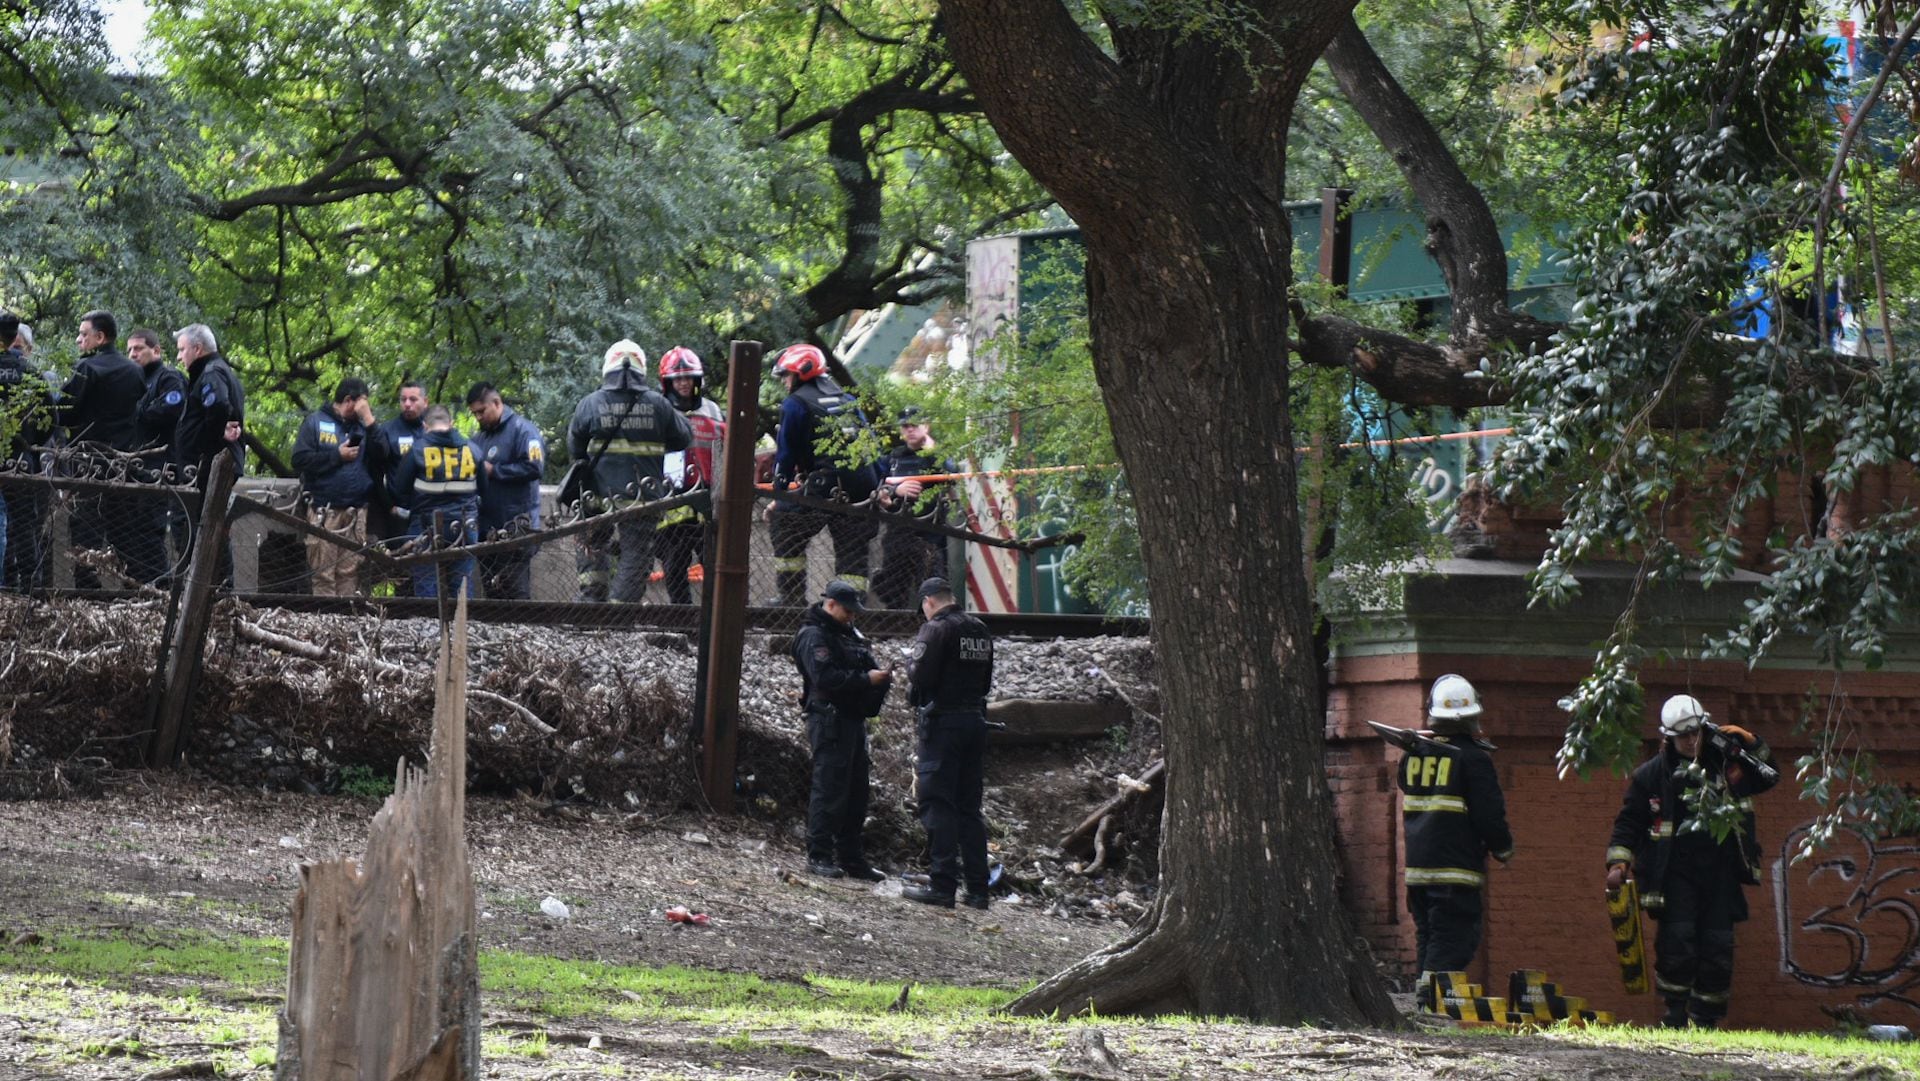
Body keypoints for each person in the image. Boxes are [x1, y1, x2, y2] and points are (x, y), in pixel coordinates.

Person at [1606, 694, 1779, 1029]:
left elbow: (1770, 775)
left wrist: (1750, 741)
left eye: (1696, 732)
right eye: (1682, 735)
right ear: (1668, 738)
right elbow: (1628, 823)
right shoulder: (1651, 776)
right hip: (1674, 875)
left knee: (1718, 946)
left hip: (1721, 873)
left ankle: (1706, 1022)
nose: (1690, 740)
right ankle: (1674, 1018)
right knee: (1677, 943)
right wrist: (1618, 863)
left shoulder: (1728, 765)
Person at [1399, 673, 1513, 992]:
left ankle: (1425, 1001)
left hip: (1418, 871)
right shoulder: (1475, 759)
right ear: (1474, 716)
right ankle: (1432, 1006)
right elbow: (1489, 813)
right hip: (1455, 871)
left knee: (1430, 938)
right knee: (1454, 941)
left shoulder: (1413, 754)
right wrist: (1503, 848)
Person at [566, 340, 691, 602]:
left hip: (597, 495)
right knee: (637, 553)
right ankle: (619, 613)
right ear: (641, 369)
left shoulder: (590, 403)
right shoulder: (659, 404)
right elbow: (683, 438)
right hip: (641, 496)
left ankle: (591, 603)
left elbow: (575, 449)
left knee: (592, 544)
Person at [900, 578, 995, 910]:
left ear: (928, 602)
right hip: (975, 721)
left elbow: (921, 677)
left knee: (938, 802)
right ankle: (979, 890)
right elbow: (985, 681)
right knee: (969, 808)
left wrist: (908, 663)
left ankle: (942, 885)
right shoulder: (980, 629)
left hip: (943, 726)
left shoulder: (936, 629)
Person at [792, 579, 892, 881]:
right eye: (847, 611)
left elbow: (864, 669)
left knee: (857, 790)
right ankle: (819, 854)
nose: (852, 617)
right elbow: (825, 678)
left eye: (854, 612)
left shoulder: (849, 636)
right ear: (830, 604)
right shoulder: (814, 635)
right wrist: (867, 680)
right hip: (829, 719)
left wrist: (876, 681)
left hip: (851, 719)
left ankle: (851, 857)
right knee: (830, 788)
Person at [769, 343, 881, 606]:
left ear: (800, 372)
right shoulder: (847, 400)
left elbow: (785, 453)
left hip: (825, 485)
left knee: (785, 525)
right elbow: (871, 447)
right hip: (863, 488)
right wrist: (881, 486)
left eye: (786, 375)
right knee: (853, 551)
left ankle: (790, 599)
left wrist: (780, 492)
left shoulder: (795, 403)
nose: (784, 381)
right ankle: (852, 607)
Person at [60, 309, 147, 587]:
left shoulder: (87, 368)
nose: (78, 340)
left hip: (88, 460)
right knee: (124, 528)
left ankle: (87, 589)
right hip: (123, 461)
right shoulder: (134, 371)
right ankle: (133, 587)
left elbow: (65, 411)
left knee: (85, 526)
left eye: (84, 334)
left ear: (100, 337)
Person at [652, 346, 725, 605]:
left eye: (688, 378)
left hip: (708, 503)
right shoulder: (661, 412)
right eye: (678, 378)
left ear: (697, 380)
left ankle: (716, 620)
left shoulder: (713, 411)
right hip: (673, 503)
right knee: (674, 569)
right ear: (668, 382)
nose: (683, 383)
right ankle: (681, 622)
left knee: (716, 567)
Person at [291, 378, 375, 596]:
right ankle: (326, 624)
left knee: (349, 572)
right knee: (323, 573)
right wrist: (337, 456)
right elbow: (299, 461)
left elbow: (384, 454)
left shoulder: (365, 427)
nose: (365, 407)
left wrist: (369, 420)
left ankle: (346, 623)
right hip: (324, 510)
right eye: (363, 403)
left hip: (355, 513)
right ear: (349, 400)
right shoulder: (315, 422)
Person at [388, 405, 483, 599]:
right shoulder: (472, 449)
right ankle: (464, 626)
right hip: (464, 525)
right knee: (462, 585)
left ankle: (428, 626)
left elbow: (398, 490)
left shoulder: (417, 450)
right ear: (452, 424)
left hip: (425, 527)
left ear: (425, 426)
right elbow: (485, 490)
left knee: (427, 584)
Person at [465, 382, 544, 599]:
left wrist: (495, 471)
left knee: (515, 590)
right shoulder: (478, 438)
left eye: (482, 411)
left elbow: (535, 467)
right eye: (474, 414)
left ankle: (522, 632)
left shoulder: (523, 430)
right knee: (492, 591)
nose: (478, 418)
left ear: (497, 403)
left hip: (516, 524)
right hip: (486, 527)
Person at [872, 408, 954, 610]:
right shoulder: (893, 457)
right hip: (898, 530)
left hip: (929, 532)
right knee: (893, 585)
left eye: (914, 425)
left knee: (932, 583)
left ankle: (932, 625)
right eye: (905, 426)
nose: (909, 430)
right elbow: (876, 483)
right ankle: (895, 627)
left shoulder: (936, 456)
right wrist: (895, 490)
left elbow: (951, 474)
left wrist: (932, 451)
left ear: (926, 427)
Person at [127, 327, 188, 580]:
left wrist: (140, 412)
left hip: (164, 466)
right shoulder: (134, 382)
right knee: (138, 532)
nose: (132, 354)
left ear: (156, 350)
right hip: (139, 466)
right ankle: (146, 586)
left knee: (153, 531)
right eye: (129, 349)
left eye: (138, 348)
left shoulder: (168, 377)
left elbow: (169, 409)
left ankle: (159, 588)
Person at [0, 311, 53, 590]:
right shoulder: (30, 372)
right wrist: (29, 443)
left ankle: (5, 584)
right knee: (23, 523)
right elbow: (50, 420)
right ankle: (31, 587)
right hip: (20, 459)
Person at [363, 380, 430, 592]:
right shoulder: (389, 431)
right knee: (402, 571)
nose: (407, 404)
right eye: (403, 400)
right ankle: (401, 617)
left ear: (425, 402)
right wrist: (389, 505)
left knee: (429, 570)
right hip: (400, 513)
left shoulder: (434, 430)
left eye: (413, 399)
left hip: (431, 511)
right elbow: (374, 472)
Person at [172, 323, 246, 481]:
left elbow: (219, 405)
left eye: (181, 349)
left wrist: (220, 429)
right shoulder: (220, 371)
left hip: (209, 468)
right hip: (211, 466)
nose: (179, 357)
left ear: (197, 349)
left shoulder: (211, 372)